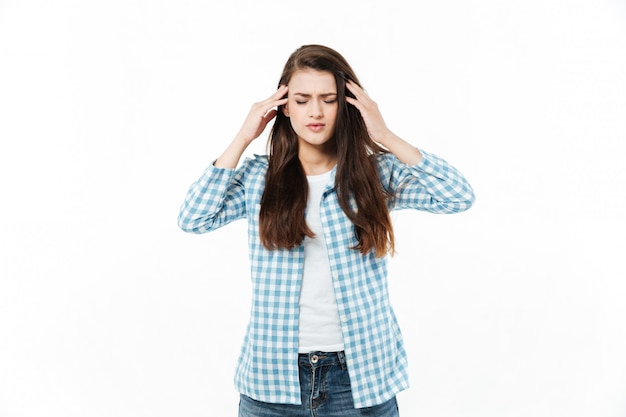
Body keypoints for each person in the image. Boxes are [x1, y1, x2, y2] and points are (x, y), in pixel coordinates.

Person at [178, 44, 475, 417]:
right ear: (284, 106)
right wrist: (243, 137)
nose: (315, 111)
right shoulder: (258, 178)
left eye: (329, 99)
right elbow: (193, 218)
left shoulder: (375, 175)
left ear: (348, 104)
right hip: (273, 379)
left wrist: (385, 134)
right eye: (302, 100)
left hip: (360, 377)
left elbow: (458, 197)